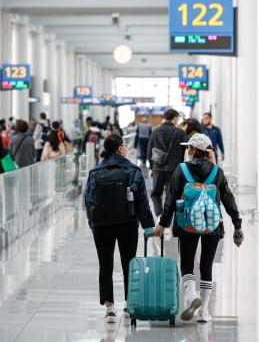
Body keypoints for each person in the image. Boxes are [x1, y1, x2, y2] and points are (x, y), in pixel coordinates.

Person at [154, 133, 243, 323]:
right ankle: (203, 313)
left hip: (187, 224)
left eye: (188, 148)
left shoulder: (182, 169)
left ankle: (191, 294)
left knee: (186, 263)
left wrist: (163, 223)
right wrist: (237, 225)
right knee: (206, 265)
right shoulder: (216, 172)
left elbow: (170, 200)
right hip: (212, 224)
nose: (187, 150)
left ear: (194, 150)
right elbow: (228, 199)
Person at [85, 134, 155, 323]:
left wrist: (93, 224)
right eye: (124, 145)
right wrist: (148, 227)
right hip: (127, 224)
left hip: (102, 226)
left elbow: (89, 200)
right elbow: (142, 202)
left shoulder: (95, 172)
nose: (125, 147)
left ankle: (109, 309)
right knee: (129, 264)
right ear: (119, 149)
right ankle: (129, 304)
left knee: (105, 266)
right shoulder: (132, 170)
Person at [147, 108, 187, 216]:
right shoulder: (180, 133)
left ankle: (159, 215)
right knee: (171, 194)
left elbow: (150, 149)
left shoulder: (156, 131)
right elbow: (186, 151)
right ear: (174, 118)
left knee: (156, 193)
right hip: (174, 169)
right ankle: (166, 218)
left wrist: (151, 167)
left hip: (158, 167)